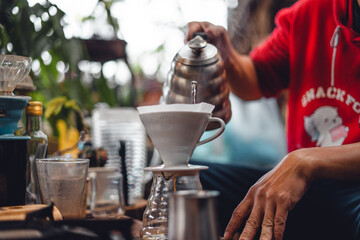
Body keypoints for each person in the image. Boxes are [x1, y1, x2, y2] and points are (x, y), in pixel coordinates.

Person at [186, 0, 360, 239]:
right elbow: (255, 79)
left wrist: (307, 161)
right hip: (306, 187)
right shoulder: (310, 12)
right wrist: (227, 58)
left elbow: (304, 163)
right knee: (189, 180)